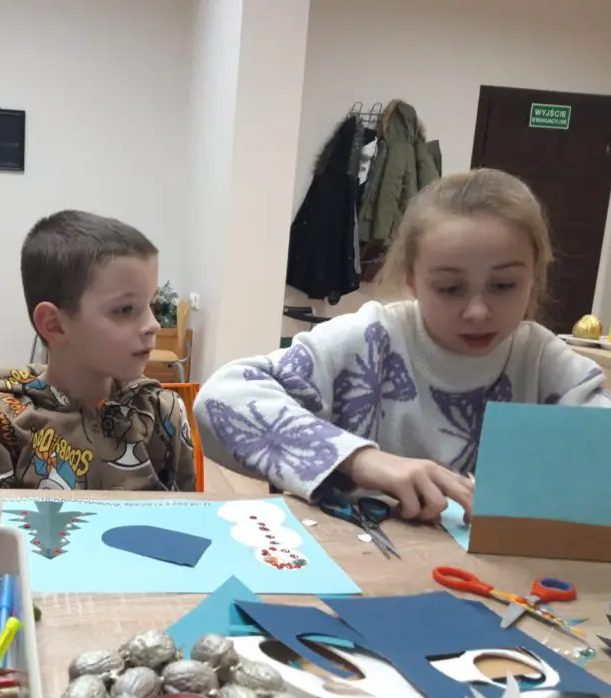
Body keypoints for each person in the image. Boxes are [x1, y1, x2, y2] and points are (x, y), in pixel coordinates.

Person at [195, 168, 608, 522]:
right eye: (450, 288)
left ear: (534, 276)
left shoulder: (545, 362)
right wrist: (361, 460)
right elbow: (218, 400)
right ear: (412, 281)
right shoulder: (369, 340)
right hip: (355, 562)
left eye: (503, 285)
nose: (478, 311)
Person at [0, 210, 196, 491]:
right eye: (125, 309)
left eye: (152, 305)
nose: (153, 325)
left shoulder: (163, 412)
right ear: (55, 325)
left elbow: (189, 513)